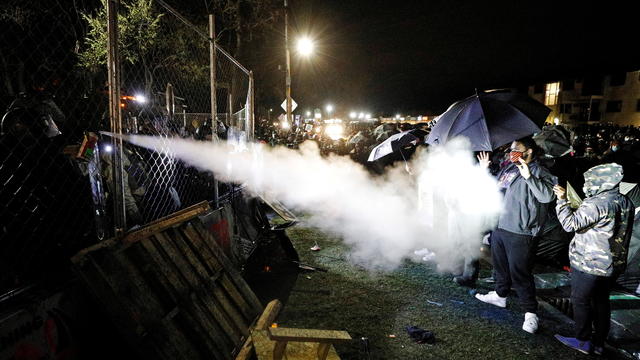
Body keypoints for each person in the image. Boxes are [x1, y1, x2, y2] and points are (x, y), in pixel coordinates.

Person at [475, 136, 557, 333]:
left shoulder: (540, 171)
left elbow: (547, 196)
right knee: (500, 266)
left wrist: (529, 177)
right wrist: (485, 171)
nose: (510, 153)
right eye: (510, 149)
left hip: (522, 232)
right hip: (500, 226)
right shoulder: (509, 169)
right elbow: (495, 188)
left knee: (520, 273)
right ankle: (500, 296)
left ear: (528, 151)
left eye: (515, 149)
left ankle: (531, 313)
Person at [553, 163, 634, 356]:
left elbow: (569, 224)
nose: (586, 184)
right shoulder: (625, 201)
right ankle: (598, 343)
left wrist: (562, 201)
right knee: (601, 302)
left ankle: (582, 340)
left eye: (590, 181)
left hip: (589, 263)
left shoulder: (596, 203)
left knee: (580, 300)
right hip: (612, 265)